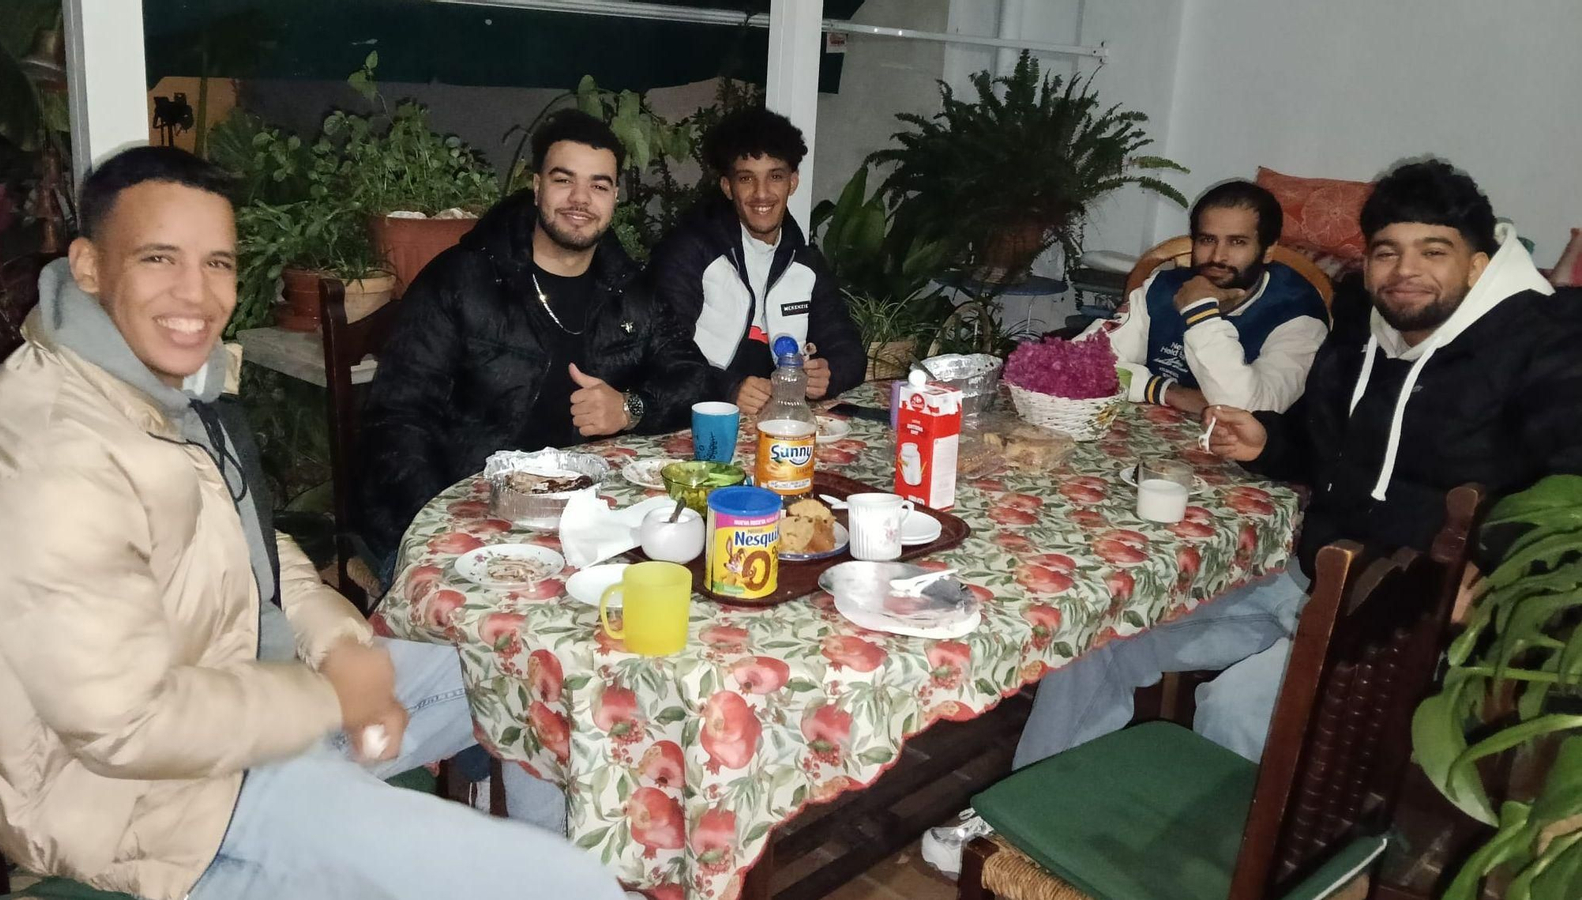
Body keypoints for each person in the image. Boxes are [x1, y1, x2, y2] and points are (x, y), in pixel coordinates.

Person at [0, 147, 626, 899]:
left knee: (527, 671)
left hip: (256, 719)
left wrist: (342, 646)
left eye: (218, 263)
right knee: (561, 887)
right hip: (161, 809)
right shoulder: (51, 444)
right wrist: (334, 698)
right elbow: (126, 725)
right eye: (160, 258)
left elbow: (257, 547)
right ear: (90, 266)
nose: (196, 292)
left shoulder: (157, 387)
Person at [924, 159, 1582, 877]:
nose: (1405, 271)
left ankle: (1201, 866)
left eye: (1434, 251)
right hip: (1306, 578)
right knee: (1104, 631)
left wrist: (1500, 566)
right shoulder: (1368, 324)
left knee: (1235, 706)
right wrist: (1269, 441)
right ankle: (1037, 809)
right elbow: (1321, 441)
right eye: (1388, 251)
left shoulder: (1543, 342)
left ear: (1479, 262)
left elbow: (1567, 489)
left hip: (1404, 622)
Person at [358, 109, 713, 563]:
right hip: (464, 516)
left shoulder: (628, 286)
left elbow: (694, 378)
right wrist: (443, 524)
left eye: (599, 185)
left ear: (615, 196)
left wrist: (629, 407)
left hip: (586, 522)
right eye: (564, 180)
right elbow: (397, 419)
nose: (580, 199)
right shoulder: (461, 280)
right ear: (536, 185)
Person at [649, 107, 866, 415]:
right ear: (728, 187)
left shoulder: (805, 261)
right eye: (747, 178)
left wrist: (828, 374)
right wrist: (727, 388)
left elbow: (848, 349)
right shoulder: (688, 252)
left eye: (775, 177)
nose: (761, 194)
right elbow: (659, 353)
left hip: (779, 424)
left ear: (792, 183)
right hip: (697, 420)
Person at [1093, 181, 1329, 414]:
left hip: (1245, 451)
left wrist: (1200, 312)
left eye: (1237, 242)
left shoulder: (1299, 313)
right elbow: (1083, 363)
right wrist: (1165, 391)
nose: (1218, 256)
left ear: (1267, 251)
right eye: (1207, 240)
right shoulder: (1162, 287)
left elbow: (1247, 411)